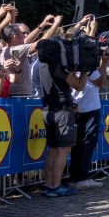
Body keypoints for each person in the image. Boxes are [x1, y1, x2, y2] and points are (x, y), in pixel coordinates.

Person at [36, 18, 95, 198]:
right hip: (62, 108)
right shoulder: (60, 66)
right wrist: (85, 70)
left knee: (53, 149)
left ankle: (49, 184)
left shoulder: (44, 63)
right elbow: (78, 85)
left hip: (48, 108)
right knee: (63, 149)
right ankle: (55, 185)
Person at [70, 34, 109, 189]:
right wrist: (104, 63)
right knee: (85, 143)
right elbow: (100, 81)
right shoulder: (86, 63)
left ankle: (76, 176)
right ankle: (80, 177)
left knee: (75, 144)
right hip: (87, 108)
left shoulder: (70, 60)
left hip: (77, 106)